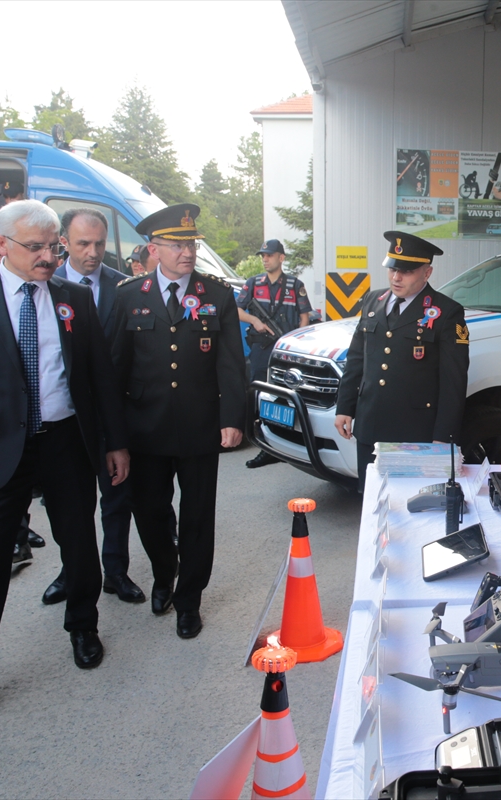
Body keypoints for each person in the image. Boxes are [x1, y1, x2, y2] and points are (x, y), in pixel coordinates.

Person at [0, 200, 129, 719]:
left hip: (65, 442)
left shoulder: (72, 298)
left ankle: (83, 627)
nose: (48, 257)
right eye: (35, 247)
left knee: (80, 544)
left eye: (52, 246)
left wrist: (113, 442)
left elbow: (98, 377)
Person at [111, 203, 245, 639]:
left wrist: (232, 418)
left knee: (197, 518)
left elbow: (230, 364)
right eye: (177, 244)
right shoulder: (128, 296)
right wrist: (114, 434)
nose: (187, 252)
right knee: (150, 513)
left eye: (190, 243)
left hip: (200, 426)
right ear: (154, 249)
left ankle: (190, 599)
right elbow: (115, 368)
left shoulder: (217, 295)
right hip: (145, 429)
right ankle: (164, 573)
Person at [40, 208, 144, 605]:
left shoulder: (123, 288)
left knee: (118, 498)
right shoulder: (45, 283)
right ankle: (72, 570)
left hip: (116, 415)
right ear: (63, 242)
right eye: (84, 243)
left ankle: (116, 571)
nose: (94, 252)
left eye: (100, 243)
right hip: (70, 421)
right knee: (70, 505)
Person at [335, 231, 469, 492]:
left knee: (408, 502)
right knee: (372, 496)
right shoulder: (374, 300)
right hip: (370, 424)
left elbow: (454, 380)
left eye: (406, 271)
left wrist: (444, 436)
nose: (396, 277)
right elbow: (357, 358)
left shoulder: (446, 312)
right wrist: (345, 406)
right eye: (393, 268)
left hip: (415, 430)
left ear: (427, 273)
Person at [238, 239, 313, 469]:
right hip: (261, 348)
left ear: (281, 258)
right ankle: (266, 446)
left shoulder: (294, 285)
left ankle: (287, 444)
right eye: (263, 255)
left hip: (286, 351)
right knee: (261, 395)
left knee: (288, 396)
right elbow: (237, 309)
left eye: (269, 255)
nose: (265, 258)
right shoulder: (253, 283)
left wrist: (296, 343)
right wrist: (255, 321)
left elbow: (304, 317)